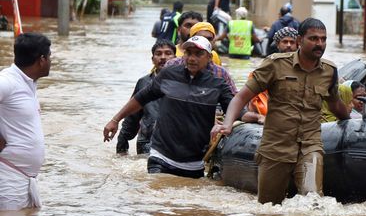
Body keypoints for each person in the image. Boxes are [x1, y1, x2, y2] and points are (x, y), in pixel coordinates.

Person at [211, 18, 349, 204]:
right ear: (300, 40)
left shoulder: (329, 71)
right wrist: (227, 125)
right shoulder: (275, 64)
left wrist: (352, 122)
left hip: (310, 145)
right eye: (314, 38)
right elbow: (241, 97)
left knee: (313, 201)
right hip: (276, 147)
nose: (320, 44)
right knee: (269, 207)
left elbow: (335, 104)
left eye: (323, 39)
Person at [103, 36, 234, 178]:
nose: (192, 58)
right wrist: (115, 120)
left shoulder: (218, 85)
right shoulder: (168, 75)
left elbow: (236, 109)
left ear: (209, 57)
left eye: (198, 54)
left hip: (194, 163)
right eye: (188, 53)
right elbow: (140, 99)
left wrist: (253, 118)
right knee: (156, 194)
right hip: (160, 157)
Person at [0, 33, 51, 210]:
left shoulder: (28, 83)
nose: (51, 61)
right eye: (50, 56)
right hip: (8, 176)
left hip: (26, 178)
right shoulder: (7, 81)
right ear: (42, 60)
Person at [116, 39, 176, 155]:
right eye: (158, 54)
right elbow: (132, 116)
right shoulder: (144, 82)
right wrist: (122, 144)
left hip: (173, 143)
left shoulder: (183, 82)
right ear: (153, 59)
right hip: (146, 143)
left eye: (168, 53)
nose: (163, 57)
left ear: (175, 58)